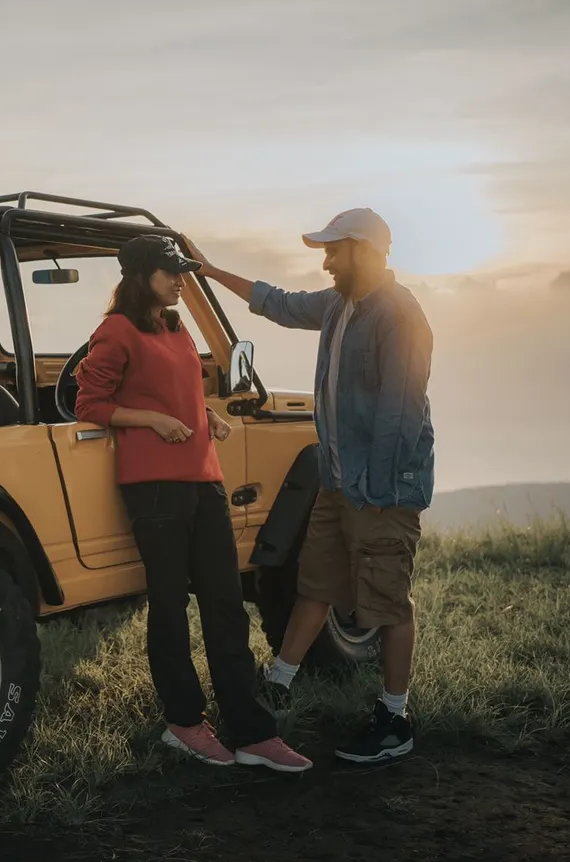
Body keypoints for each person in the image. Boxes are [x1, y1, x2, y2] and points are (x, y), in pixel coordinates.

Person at [183, 208, 435, 764]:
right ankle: (279, 680)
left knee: (388, 602)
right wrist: (207, 271)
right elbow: (277, 301)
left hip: (381, 491)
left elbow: (401, 416)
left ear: (365, 252)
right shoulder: (339, 305)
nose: (325, 261)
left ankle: (396, 717)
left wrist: (370, 494)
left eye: (334, 250)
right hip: (339, 481)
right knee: (316, 582)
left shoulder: (401, 317)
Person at [74, 234, 312, 772]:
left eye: (181, 270)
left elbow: (179, 391)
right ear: (141, 276)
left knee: (226, 604)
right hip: (153, 485)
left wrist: (209, 416)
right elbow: (88, 403)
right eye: (170, 271)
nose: (181, 279)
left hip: (203, 478)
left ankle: (252, 733)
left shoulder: (175, 326)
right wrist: (154, 420)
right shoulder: (116, 330)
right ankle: (184, 723)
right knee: (170, 605)